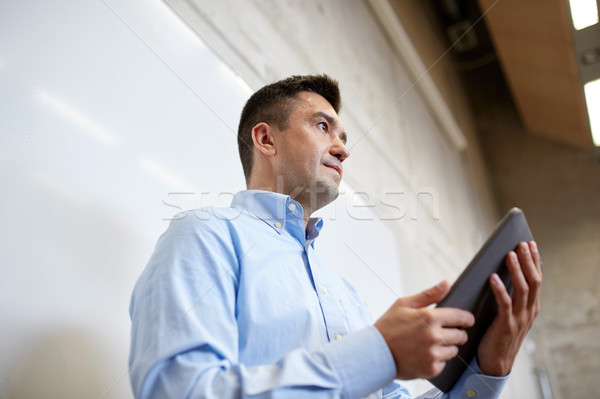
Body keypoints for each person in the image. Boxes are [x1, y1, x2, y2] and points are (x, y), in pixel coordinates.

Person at [129, 74, 542, 398]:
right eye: (323, 127)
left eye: (343, 138)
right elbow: (180, 390)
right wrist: (379, 351)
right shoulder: (204, 236)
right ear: (266, 139)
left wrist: (489, 368)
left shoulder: (345, 295)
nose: (343, 149)